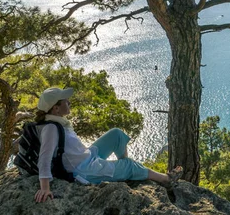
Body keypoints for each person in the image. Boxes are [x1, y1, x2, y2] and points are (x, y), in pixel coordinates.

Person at [34, 87, 182, 203]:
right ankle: (165, 179)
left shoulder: (56, 122)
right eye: (65, 101)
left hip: (87, 156)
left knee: (116, 134)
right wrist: (45, 188)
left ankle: (123, 169)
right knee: (130, 165)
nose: (69, 102)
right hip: (84, 171)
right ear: (56, 108)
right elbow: (44, 158)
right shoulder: (51, 128)